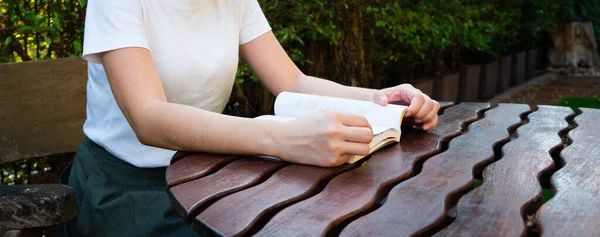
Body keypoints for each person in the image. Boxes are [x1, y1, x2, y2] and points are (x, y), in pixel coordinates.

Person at [62, 0, 441, 236]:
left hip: (203, 176)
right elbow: (149, 118)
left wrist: (382, 101)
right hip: (122, 187)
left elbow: (291, 81)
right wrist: (280, 139)